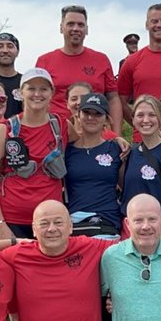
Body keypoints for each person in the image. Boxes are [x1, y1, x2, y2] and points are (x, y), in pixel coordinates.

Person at [0, 68, 67, 240]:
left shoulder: (60, 125)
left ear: (52, 93)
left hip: (49, 220)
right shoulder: (4, 130)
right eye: (31, 88)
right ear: (21, 93)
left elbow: (88, 138)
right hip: (13, 219)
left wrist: (116, 139)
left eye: (43, 89)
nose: (37, 94)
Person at [35, 5, 122, 134]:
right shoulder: (45, 61)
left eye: (80, 25)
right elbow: (36, 99)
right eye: (70, 24)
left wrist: (116, 134)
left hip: (96, 135)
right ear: (61, 28)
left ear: (87, 30)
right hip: (56, 134)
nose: (76, 28)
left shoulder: (101, 60)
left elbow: (113, 99)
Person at [66, 93, 124, 235]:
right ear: (78, 115)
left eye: (97, 113)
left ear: (106, 119)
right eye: (86, 112)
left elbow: (127, 187)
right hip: (72, 224)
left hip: (107, 222)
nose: (91, 118)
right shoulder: (66, 150)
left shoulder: (117, 149)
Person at [122, 95, 161, 226]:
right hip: (130, 227)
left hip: (155, 227)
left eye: (152, 115)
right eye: (140, 115)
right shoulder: (130, 152)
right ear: (133, 120)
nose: (146, 120)